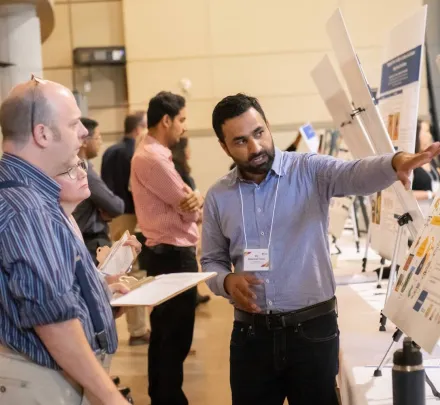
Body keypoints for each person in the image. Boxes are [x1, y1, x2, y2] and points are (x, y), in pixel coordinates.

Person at [200, 93, 440, 405]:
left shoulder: (309, 171)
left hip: (312, 333)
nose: (255, 148)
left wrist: (395, 163)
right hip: (251, 338)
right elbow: (211, 261)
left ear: (268, 126)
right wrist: (226, 282)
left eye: (259, 133)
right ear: (224, 146)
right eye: (241, 141)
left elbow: (354, 174)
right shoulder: (219, 196)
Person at [0, 76, 131, 404]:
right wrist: (111, 397)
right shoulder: (28, 208)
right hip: (46, 383)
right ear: (42, 134)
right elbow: (54, 322)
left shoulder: (34, 198)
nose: (85, 133)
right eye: (74, 124)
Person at [131, 91, 203, 405]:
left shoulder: (152, 153)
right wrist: (196, 203)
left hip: (168, 253)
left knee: (166, 333)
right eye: (182, 120)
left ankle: (164, 394)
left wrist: (195, 200)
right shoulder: (154, 158)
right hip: (172, 254)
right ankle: (168, 397)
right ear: (166, 120)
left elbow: (190, 199)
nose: (184, 128)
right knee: (174, 335)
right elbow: (190, 208)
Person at [101, 111, 151, 346]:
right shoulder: (133, 153)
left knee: (119, 269)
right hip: (129, 215)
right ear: (139, 128)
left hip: (113, 218)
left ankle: (137, 328)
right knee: (131, 271)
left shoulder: (111, 150)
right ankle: (138, 329)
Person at [73, 117, 125, 262]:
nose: (100, 142)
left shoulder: (75, 167)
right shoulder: (84, 170)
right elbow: (116, 206)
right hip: (90, 243)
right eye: (98, 137)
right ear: (84, 141)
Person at [171, 136, 210, 306]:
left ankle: (195, 294)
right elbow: (186, 199)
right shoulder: (178, 169)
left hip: (191, 221)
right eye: (188, 147)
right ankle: (193, 296)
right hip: (185, 224)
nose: (190, 151)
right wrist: (197, 211)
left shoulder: (181, 168)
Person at [412, 119, 440, 216]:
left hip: (433, 213)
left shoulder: (430, 159)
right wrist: (430, 194)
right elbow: (404, 194)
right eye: (427, 131)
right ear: (417, 134)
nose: (430, 136)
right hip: (419, 215)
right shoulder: (410, 162)